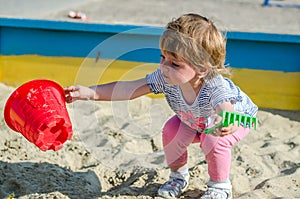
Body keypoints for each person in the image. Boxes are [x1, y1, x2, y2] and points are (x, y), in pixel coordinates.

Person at [64, 13, 258, 199]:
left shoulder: (213, 84)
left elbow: (224, 105)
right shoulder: (164, 78)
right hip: (195, 120)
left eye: (175, 64)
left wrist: (225, 119)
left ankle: (220, 186)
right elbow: (128, 89)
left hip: (235, 120)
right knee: (171, 130)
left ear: (201, 69)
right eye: (163, 57)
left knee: (212, 137)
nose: (165, 66)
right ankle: (178, 177)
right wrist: (89, 92)